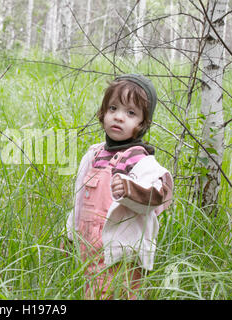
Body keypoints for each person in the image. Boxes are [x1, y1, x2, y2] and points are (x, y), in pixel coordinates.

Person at [65, 74, 173, 299]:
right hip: (90, 247)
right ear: (102, 113)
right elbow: (78, 197)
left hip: (121, 252)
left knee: (118, 292)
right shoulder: (94, 154)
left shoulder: (139, 160)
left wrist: (130, 190)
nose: (119, 117)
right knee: (92, 291)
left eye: (130, 113)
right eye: (113, 108)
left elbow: (161, 194)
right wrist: (71, 233)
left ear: (142, 124)